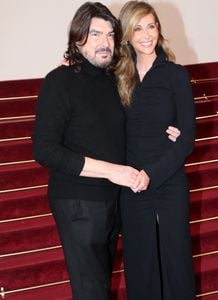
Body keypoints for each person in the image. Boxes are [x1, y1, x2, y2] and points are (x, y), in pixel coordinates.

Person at [32, 2, 180, 299]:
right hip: (78, 201)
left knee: (101, 286)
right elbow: (45, 150)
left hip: (113, 200)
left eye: (111, 34)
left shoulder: (114, 79)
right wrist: (113, 171)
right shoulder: (59, 81)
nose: (105, 42)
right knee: (91, 292)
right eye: (95, 34)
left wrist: (170, 129)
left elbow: (135, 120)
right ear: (77, 38)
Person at [115, 1, 196, 299]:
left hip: (168, 178)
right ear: (126, 33)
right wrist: (69, 64)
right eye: (138, 27)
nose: (147, 34)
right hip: (131, 183)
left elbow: (187, 139)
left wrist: (152, 173)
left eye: (152, 26)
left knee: (176, 262)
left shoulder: (175, 75)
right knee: (140, 263)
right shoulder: (118, 77)